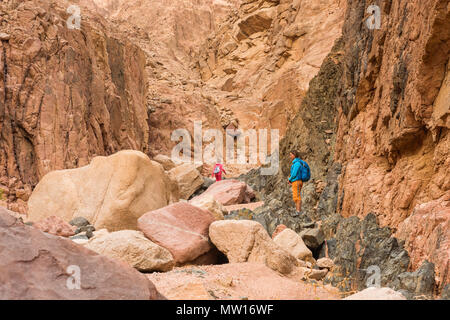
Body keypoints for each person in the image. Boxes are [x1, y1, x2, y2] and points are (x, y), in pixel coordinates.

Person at [288, 150, 303, 217]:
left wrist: (290, 179)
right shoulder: (297, 163)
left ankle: (298, 211)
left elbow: (294, 173)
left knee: (297, 196)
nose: (290, 156)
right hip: (296, 181)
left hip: (296, 181)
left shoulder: (297, 163)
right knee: (296, 196)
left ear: (294, 155)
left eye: (291, 155)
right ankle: (297, 211)